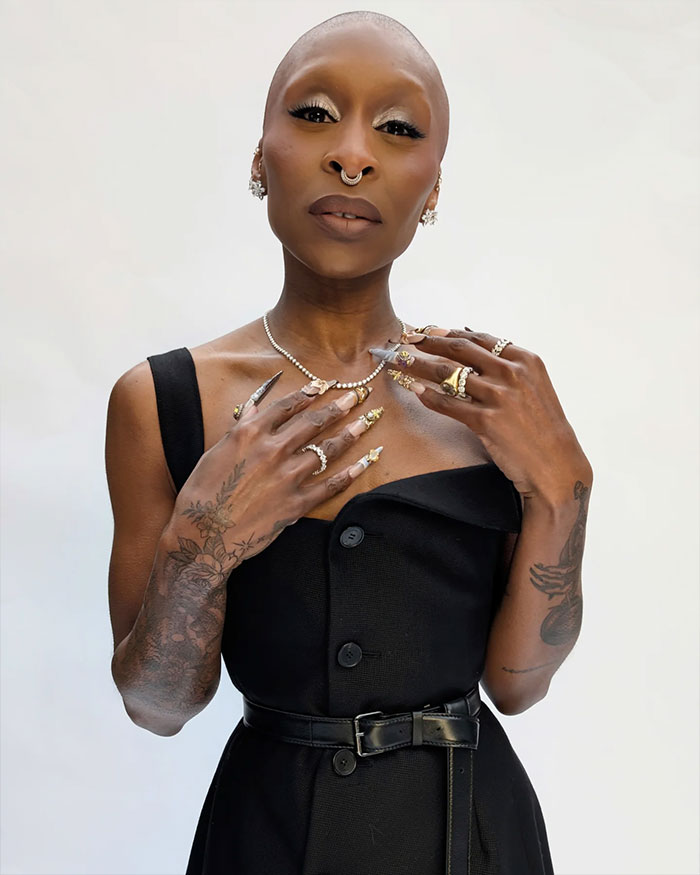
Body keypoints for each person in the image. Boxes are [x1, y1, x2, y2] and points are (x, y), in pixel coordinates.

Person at [105, 10, 593, 874]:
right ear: (261, 158)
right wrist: (200, 546)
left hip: (470, 841)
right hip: (267, 841)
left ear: (432, 186)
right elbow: (157, 705)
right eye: (315, 113)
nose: (353, 155)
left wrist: (564, 492)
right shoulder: (164, 400)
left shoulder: (488, 399)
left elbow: (516, 688)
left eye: (398, 130)